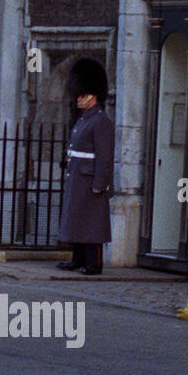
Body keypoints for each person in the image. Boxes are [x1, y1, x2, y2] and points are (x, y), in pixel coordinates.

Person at [56, 58, 115, 276]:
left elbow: (104, 156)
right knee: (77, 221)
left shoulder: (101, 121)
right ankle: (77, 258)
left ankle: (94, 263)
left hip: (90, 179)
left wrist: (100, 183)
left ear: (94, 95)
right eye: (78, 94)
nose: (79, 98)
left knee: (92, 225)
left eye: (82, 94)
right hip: (78, 177)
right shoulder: (83, 119)